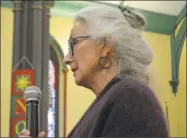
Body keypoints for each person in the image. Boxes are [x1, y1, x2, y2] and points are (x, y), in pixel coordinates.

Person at [20, 5, 169, 137]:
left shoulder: (131, 96)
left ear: (104, 45)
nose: (66, 59)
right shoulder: (112, 100)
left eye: (74, 43)